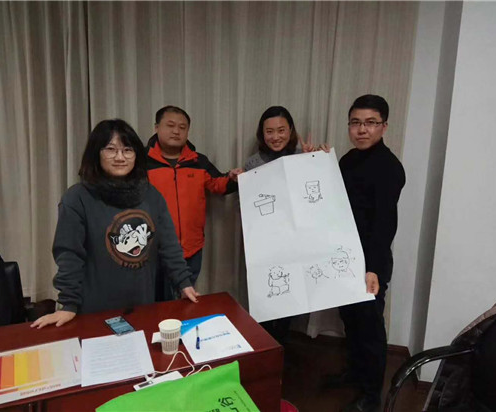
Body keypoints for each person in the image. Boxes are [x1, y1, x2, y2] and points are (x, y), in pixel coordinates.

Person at [32, 119, 199, 329]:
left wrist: (183, 283)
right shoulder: (77, 198)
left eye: (127, 150)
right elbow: (69, 254)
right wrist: (68, 303)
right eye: (111, 149)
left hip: (143, 306)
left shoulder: (151, 195)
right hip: (94, 311)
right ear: (96, 153)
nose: (120, 157)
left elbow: (169, 245)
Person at [332, 95, 406, 412]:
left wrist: (372, 268)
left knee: (370, 328)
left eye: (370, 123)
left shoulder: (389, 167)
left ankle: (371, 396)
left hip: (370, 264)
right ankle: (355, 373)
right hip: (343, 257)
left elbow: (385, 225)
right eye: (356, 122)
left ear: (384, 126)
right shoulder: (348, 160)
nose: (362, 129)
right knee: (350, 321)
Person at [244, 106, 325, 343]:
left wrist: (316, 162)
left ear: (290, 131)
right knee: (265, 296)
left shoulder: (303, 155)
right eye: (269, 131)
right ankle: (266, 348)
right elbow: (246, 205)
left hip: (297, 242)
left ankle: (280, 345)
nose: (275, 136)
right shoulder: (253, 163)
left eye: (281, 130)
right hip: (265, 243)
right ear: (262, 134)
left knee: (291, 298)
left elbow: (319, 197)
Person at [146, 106, 242, 299]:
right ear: (156, 127)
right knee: (157, 303)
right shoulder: (141, 162)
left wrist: (232, 178)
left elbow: (218, 185)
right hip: (154, 250)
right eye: (170, 125)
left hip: (192, 248)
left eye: (182, 127)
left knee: (187, 300)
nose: (176, 131)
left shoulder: (198, 161)